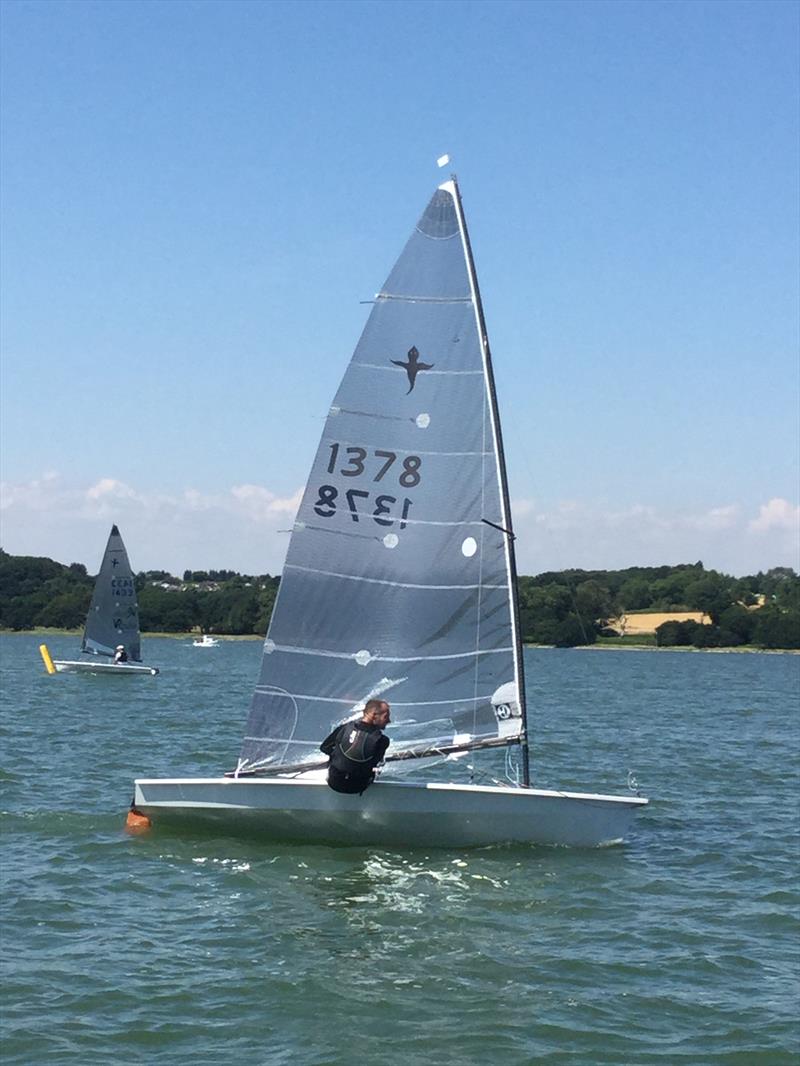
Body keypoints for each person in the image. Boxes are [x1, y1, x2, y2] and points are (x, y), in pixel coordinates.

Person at [320, 700, 391, 795]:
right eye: (385, 717)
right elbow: (374, 762)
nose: (389, 721)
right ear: (374, 715)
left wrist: (339, 756)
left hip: (334, 783)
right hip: (358, 786)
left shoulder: (344, 728)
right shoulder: (382, 740)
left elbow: (324, 748)